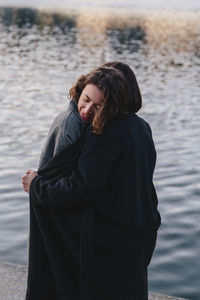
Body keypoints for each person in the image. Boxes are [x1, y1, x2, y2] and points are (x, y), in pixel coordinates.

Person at [22, 63, 161, 300]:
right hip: (140, 229)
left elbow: (80, 188)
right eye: (85, 99)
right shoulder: (142, 128)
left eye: (98, 106)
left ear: (113, 103)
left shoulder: (103, 132)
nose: (87, 110)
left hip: (111, 241)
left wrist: (36, 186)